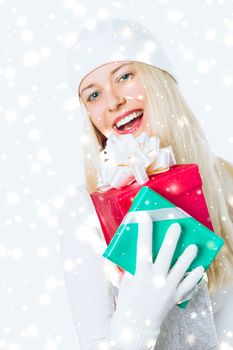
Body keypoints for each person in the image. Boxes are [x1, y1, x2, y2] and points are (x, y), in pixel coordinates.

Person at [58, 19, 233, 349]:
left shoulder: (228, 180)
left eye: (124, 76)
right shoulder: (84, 214)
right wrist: (136, 323)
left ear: (158, 79)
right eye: (93, 95)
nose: (112, 103)